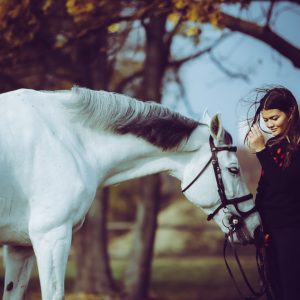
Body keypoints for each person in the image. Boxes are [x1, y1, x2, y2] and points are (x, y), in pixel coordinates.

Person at [246, 86, 300, 300]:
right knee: (274, 290)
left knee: (291, 291)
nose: (269, 125)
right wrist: (258, 223)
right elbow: (264, 188)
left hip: (292, 231)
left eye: (275, 118)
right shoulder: (273, 146)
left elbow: (284, 184)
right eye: (266, 120)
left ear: (292, 112)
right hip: (270, 231)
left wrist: (260, 151)